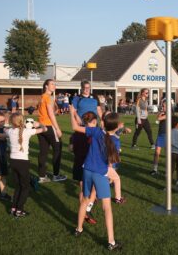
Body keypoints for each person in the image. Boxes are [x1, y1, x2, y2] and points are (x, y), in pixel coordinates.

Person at [71, 106, 122, 251]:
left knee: (85, 201)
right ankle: (111, 242)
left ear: (103, 124)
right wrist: (111, 173)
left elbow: (75, 126)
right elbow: (113, 161)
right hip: (100, 173)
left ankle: (79, 229)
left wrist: (71, 112)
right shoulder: (115, 141)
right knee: (107, 208)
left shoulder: (96, 131)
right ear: (116, 127)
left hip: (86, 170)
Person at [71, 80, 103, 219]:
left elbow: (99, 110)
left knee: (92, 155)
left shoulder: (94, 98)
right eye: (84, 88)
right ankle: (85, 194)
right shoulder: (77, 98)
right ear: (81, 88)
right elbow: (72, 111)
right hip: (81, 129)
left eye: (88, 88)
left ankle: (90, 193)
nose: (86, 90)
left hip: (93, 128)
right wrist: (78, 118)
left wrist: (102, 120)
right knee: (81, 156)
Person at [7, 112, 47, 217]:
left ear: (12, 122)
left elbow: (5, 130)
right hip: (23, 162)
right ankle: (19, 210)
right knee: (25, 187)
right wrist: (39, 124)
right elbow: (45, 129)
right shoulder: (27, 131)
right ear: (22, 121)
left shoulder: (10, 131)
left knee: (18, 186)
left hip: (12, 161)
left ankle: (13, 208)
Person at [70, 111, 99, 225]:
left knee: (82, 189)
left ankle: (85, 210)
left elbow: (70, 149)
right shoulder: (93, 133)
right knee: (93, 189)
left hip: (77, 162)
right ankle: (87, 210)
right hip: (88, 164)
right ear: (94, 122)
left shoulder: (76, 133)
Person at [37, 79, 67, 183]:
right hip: (49, 126)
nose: (55, 86)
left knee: (43, 151)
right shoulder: (48, 97)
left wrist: (54, 110)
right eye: (52, 84)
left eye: (55, 84)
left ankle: (42, 177)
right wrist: (57, 128)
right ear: (46, 86)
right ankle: (56, 175)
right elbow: (50, 114)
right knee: (57, 149)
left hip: (40, 126)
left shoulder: (42, 97)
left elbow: (49, 111)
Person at [150, 99, 169, 175]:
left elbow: (158, 118)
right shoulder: (163, 113)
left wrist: (160, 114)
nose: (162, 107)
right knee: (157, 152)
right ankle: (155, 169)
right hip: (160, 134)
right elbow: (157, 117)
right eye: (162, 106)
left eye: (164, 106)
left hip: (167, 134)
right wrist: (160, 112)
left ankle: (168, 170)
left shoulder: (169, 113)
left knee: (167, 153)